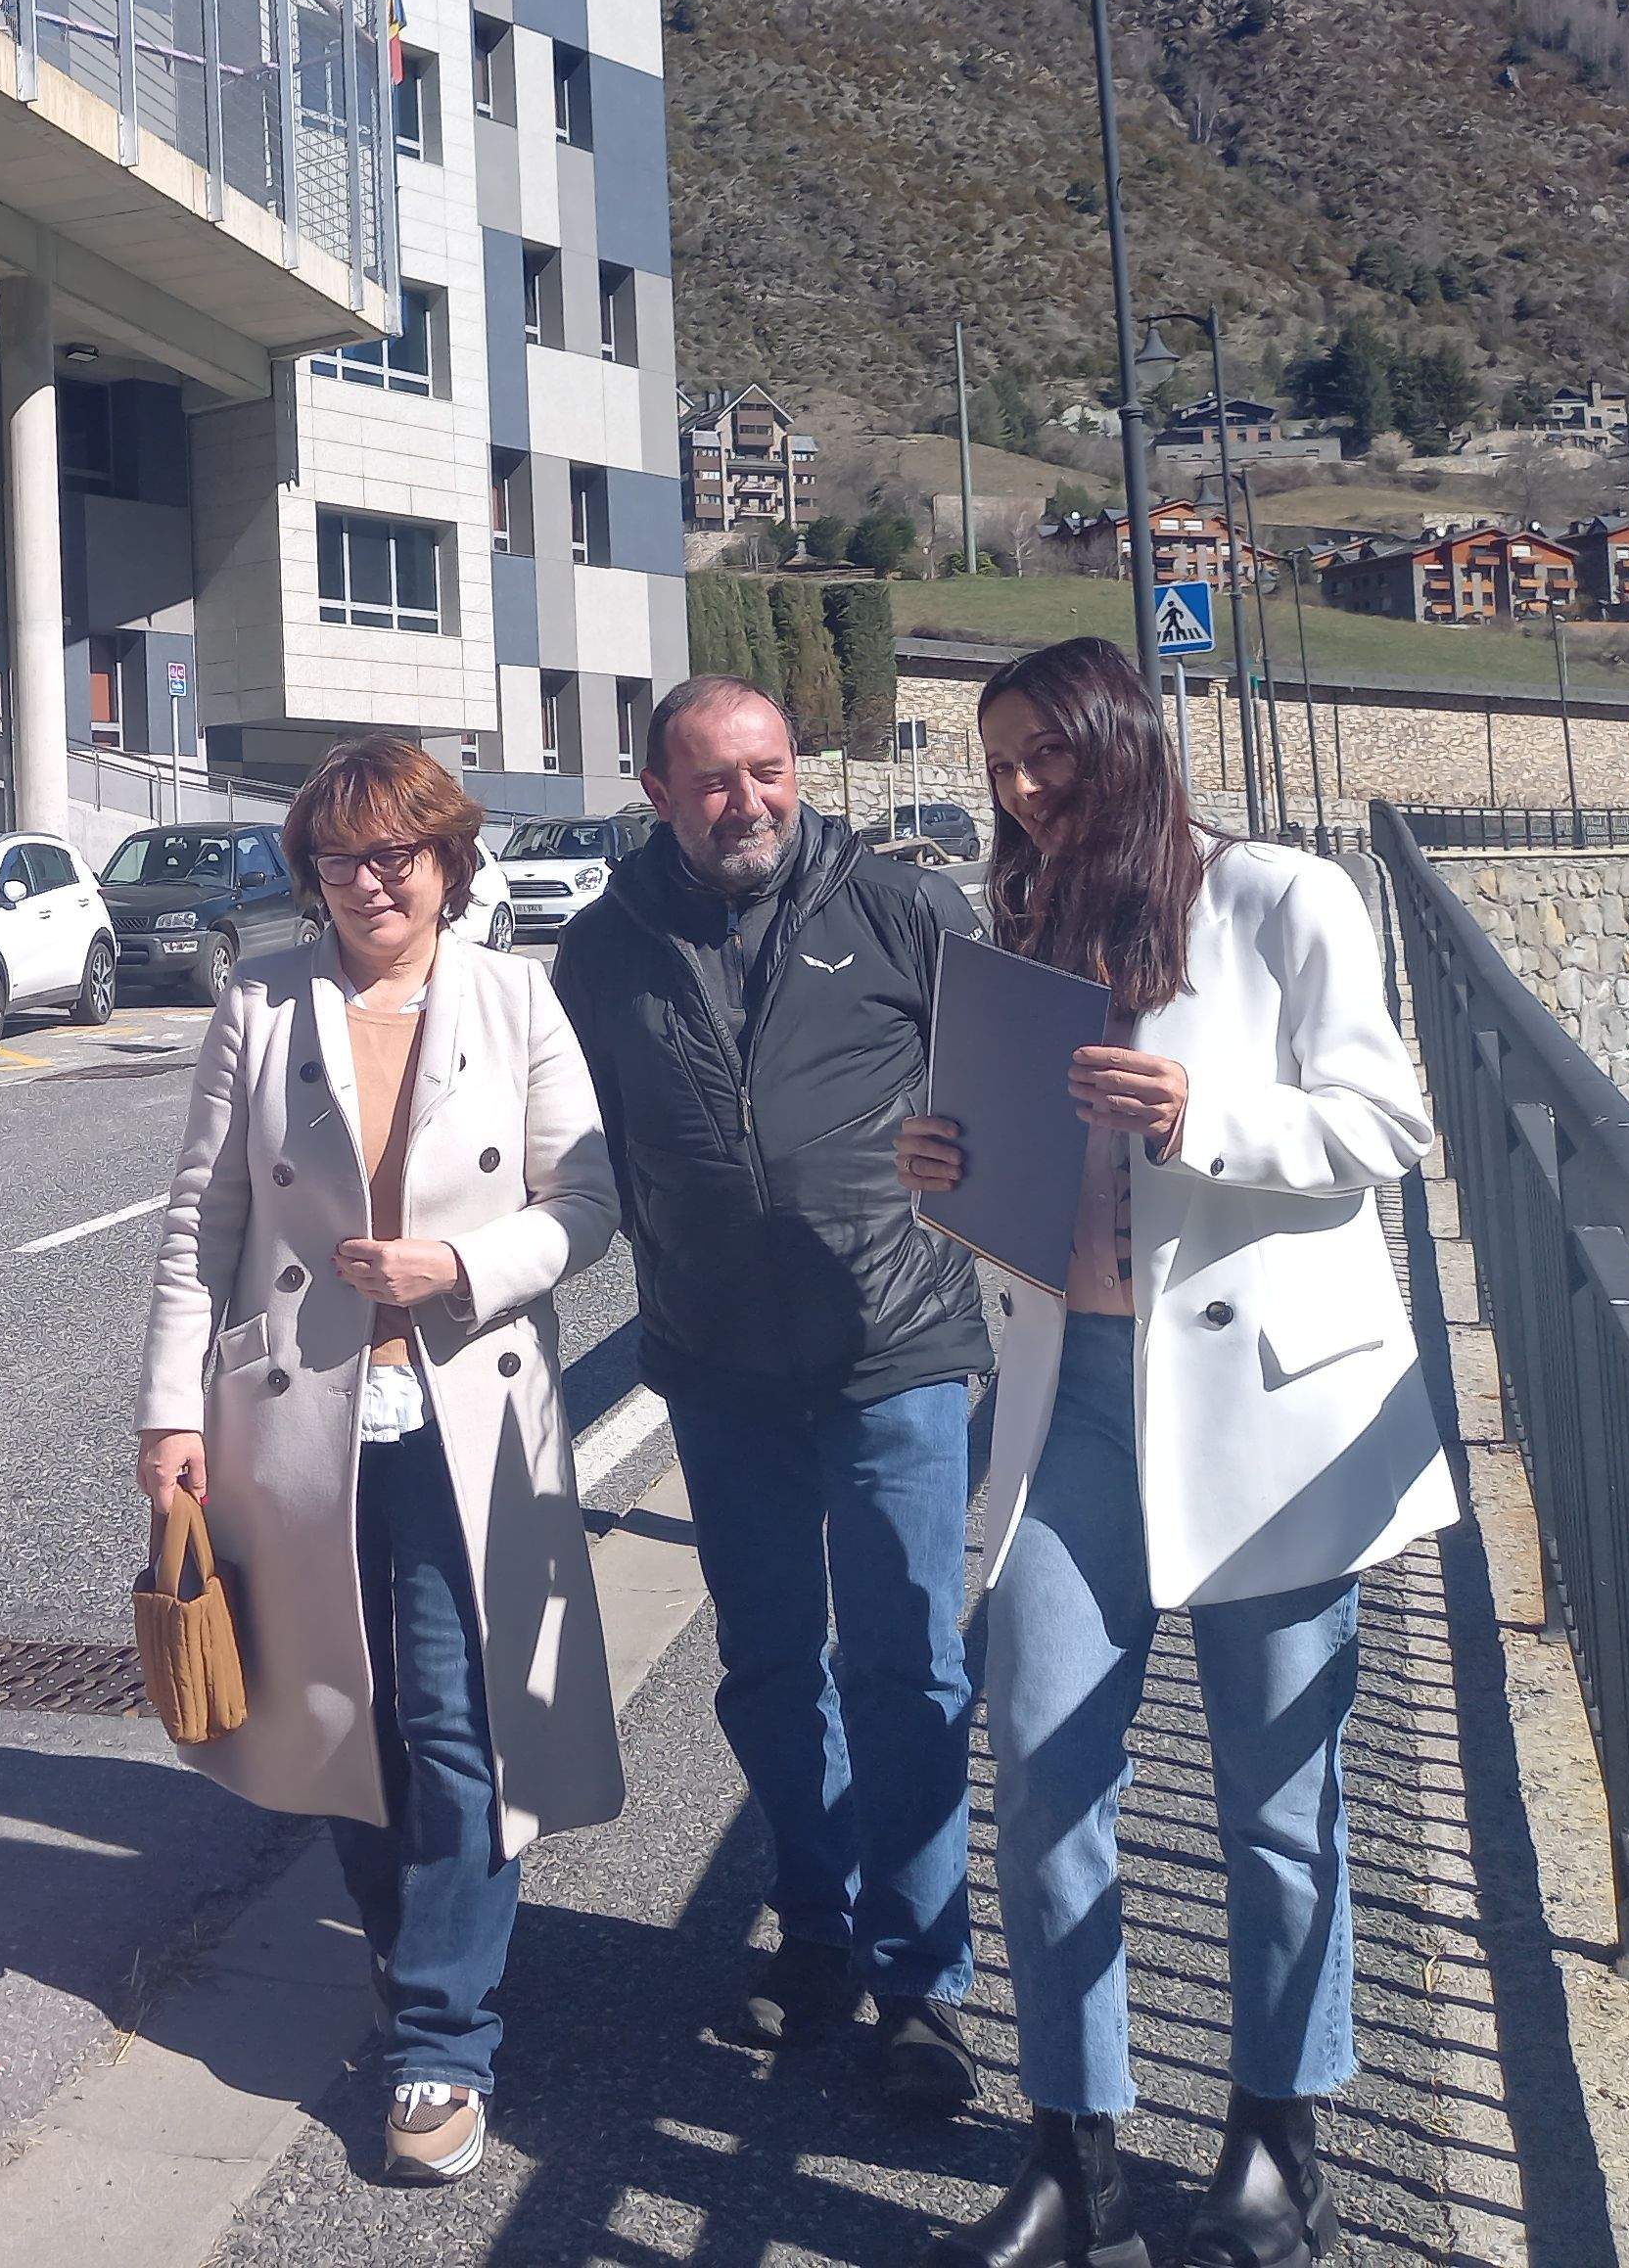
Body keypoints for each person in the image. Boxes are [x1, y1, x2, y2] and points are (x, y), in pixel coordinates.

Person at [900, 636, 1450, 2268]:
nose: (1022, 793)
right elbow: (1021, 1190)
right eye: (999, 766)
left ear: (1124, 741)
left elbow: (1387, 1126)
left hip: (1268, 1418)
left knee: (1281, 1806)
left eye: (1047, 757)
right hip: (1070, 1398)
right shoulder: (1018, 932)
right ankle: (1077, 2154)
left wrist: (1197, 1110)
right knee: (1043, 1784)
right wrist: (943, 1168)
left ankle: (1278, 2143)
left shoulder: (1285, 899)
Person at [137, 735, 623, 2186]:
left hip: (467, 1420)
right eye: (341, 856)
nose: (369, 879)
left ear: (446, 860)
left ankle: (437, 2042)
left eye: (396, 851)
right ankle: (415, 1958)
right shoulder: (260, 1005)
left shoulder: (516, 998)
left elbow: (586, 1198)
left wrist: (459, 1267)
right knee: (344, 1726)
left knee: (455, 1727)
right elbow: (198, 1233)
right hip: (295, 1428)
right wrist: (168, 1420)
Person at [549, 672, 990, 2112]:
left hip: (898, 1350)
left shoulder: (902, 909)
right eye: (714, 779)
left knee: (909, 1664)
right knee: (771, 1669)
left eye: (770, 769)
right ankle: (818, 1935)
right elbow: (579, 1150)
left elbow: (1006, 1105)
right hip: (721, 1366)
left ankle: (921, 1977)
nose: (749, 801)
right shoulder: (602, 950)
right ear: (657, 793)